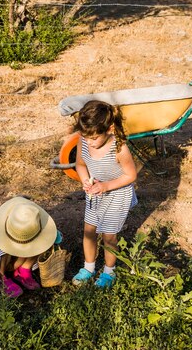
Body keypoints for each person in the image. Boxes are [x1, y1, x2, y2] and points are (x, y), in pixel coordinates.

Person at [71, 100, 138, 288]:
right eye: (86, 137)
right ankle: (89, 267)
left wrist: (106, 186)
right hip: (96, 190)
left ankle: (109, 272)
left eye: (93, 138)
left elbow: (130, 175)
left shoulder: (119, 148)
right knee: (89, 230)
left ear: (108, 129)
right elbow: (81, 164)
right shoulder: (83, 140)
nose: (89, 142)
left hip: (117, 191)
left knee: (108, 235)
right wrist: (85, 179)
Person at [0, 196, 60, 298]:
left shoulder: (33, 225)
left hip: (16, 259)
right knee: (1, 244)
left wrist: (51, 235)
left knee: (42, 241)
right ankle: (1, 277)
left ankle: (23, 271)